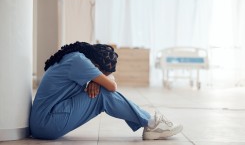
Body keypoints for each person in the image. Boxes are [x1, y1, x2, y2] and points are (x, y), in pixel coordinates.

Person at [29, 41, 183, 140]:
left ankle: (149, 123)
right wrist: (100, 82)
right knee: (102, 95)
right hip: (47, 124)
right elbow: (112, 87)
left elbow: (110, 80)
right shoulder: (79, 61)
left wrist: (96, 81)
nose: (103, 76)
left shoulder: (75, 57)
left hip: (44, 122)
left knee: (101, 90)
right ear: (95, 66)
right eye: (102, 73)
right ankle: (151, 123)